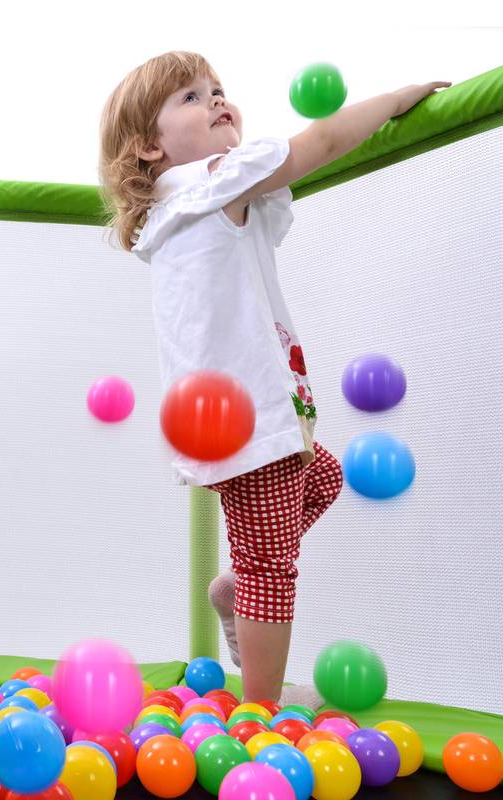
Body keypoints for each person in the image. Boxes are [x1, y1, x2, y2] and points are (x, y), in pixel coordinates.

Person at [98, 50, 451, 707]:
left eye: (218, 89)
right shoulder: (216, 179)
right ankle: (258, 712)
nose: (217, 100)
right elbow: (321, 141)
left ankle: (237, 587)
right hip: (247, 415)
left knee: (322, 477)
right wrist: (399, 97)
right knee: (271, 567)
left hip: (227, 416)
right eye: (192, 98)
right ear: (149, 146)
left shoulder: (173, 213)